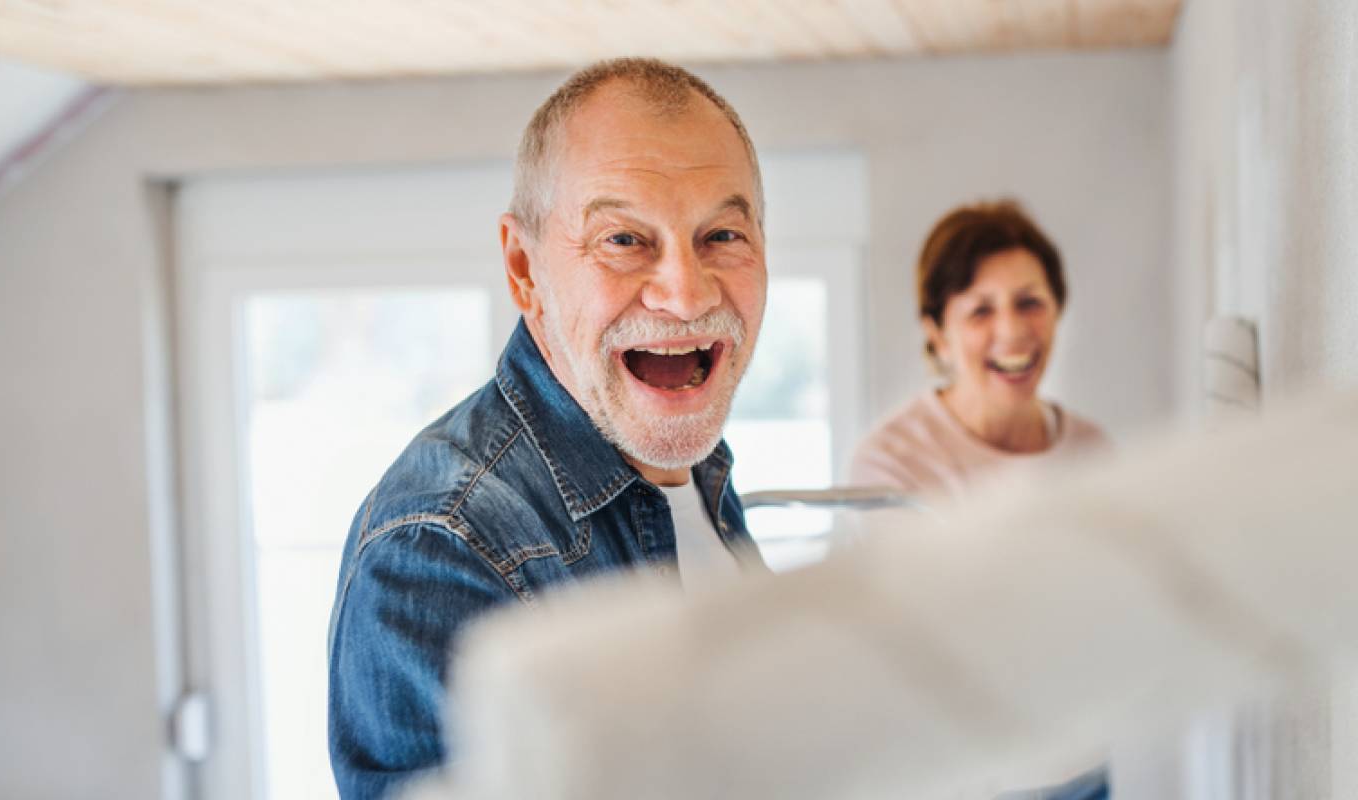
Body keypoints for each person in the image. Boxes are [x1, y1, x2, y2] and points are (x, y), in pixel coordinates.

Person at [326, 58, 769, 798]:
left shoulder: (696, 469)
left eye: (721, 234)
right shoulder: (439, 543)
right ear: (524, 268)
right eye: (625, 240)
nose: (685, 294)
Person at [849, 200, 1109, 502]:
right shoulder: (890, 465)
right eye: (981, 311)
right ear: (938, 335)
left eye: (1029, 303)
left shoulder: (1094, 452)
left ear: (1058, 310)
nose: (1012, 331)